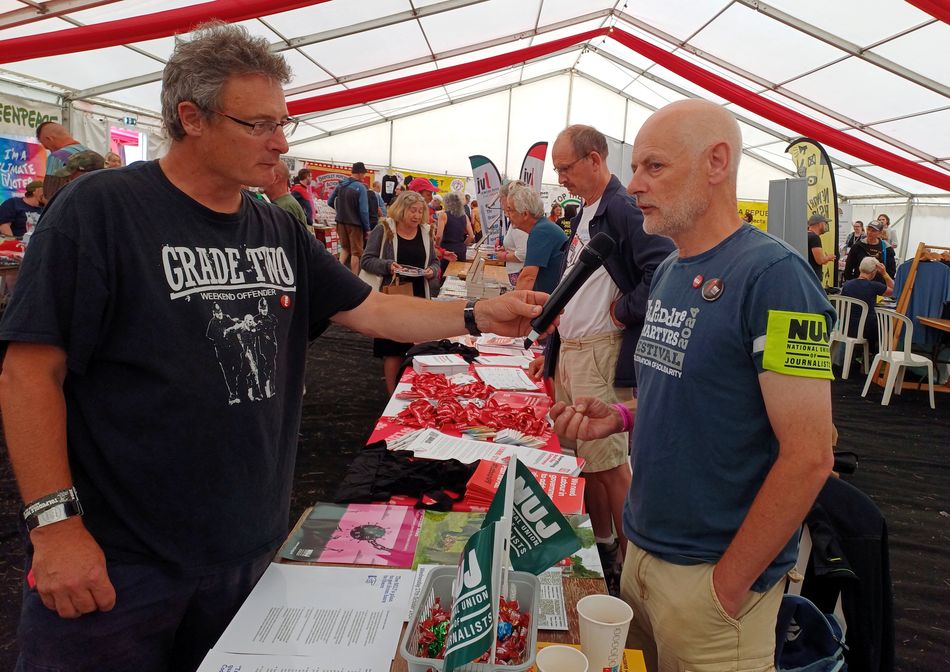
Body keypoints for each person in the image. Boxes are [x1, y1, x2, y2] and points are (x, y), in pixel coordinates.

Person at [0, 22, 552, 672]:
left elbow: (372, 307)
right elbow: (29, 372)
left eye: (283, 122)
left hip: (247, 551)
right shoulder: (103, 210)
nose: (282, 142)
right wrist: (55, 526)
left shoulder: (274, 227)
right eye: (260, 124)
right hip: (121, 559)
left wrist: (476, 312)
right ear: (191, 118)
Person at [550, 99, 835, 671]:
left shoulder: (775, 278)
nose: (633, 186)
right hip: (645, 556)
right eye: (635, 169)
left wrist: (727, 587)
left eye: (654, 167)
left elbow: (810, 453)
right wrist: (621, 418)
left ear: (716, 163)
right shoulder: (673, 271)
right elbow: (692, 390)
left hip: (713, 581)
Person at [531, 125, 675, 582]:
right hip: (575, 352)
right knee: (588, 463)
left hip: (600, 354)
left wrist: (623, 311)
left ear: (595, 160)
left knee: (610, 466)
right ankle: (604, 550)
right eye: (557, 170)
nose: (562, 178)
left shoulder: (624, 208)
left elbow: (664, 269)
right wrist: (552, 349)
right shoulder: (587, 211)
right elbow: (575, 286)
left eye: (566, 168)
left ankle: (630, 570)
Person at [361, 191, 442, 394]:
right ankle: (391, 395)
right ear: (401, 209)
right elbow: (367, 260)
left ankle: (412, 391)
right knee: (392, 350)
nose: (416, 215)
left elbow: (434, 261)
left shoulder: (425, 232)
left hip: (418, 297)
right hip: (392, 298)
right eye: (412, 210)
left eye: (420, 211)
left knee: (418, 346)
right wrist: (388, 266)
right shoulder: (385, 229)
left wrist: (432, 270)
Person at [506, 183, 567, 294]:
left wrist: (512, 306)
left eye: (510, 210)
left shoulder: (541, 232)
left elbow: (528, 277)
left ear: (525, 214)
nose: (507, 214)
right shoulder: (543, 228)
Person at [328, 161, 375, 274]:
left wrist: (340, 210)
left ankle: (336, 272)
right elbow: (364, 211)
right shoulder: (361, 187)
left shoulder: (341, 185)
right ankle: (355, 278)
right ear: (359, 173)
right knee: (356, 253)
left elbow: (330, 201)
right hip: (355, 225)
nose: (364, 176)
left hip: (340, 222)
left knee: (344, 249)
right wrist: (367, 228)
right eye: (363, 174)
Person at [841, 256, 893, 353]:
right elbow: (894, 291)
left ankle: (862, 356)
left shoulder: (847, 285)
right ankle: (875, 357)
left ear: (860, 268)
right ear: (874, 272)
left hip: (847, 328)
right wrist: (884, 274)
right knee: (887, 327)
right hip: (866, 330)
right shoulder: (874, 286)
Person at [36, 121, 89, 200]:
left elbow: (51, 196)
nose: (50, 151)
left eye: (47, 147)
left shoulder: (58, 157)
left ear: (50, 139)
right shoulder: (93, 153)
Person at [495, 181, 530, 286]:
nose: (500, 204)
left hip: (520, 274)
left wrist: (503, 256)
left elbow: (523, 253)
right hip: (517, 273)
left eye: (501, 199)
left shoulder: (520, 220)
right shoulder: (515, 219)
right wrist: (506, 249)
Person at [436, 191, 474, 269]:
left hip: (446, 250)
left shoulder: (443, 215)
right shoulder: (465, 216)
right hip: (460, 250)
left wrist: (438, 248)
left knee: (444, 275)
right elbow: (471, 236)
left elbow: (439, 236)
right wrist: (463, 245)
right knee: (458, 275)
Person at [263, 161, 307, 227]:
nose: (261, 178)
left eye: (264, 174)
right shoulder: (282, 203)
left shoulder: (287, 206)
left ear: (275, 178)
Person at [807, 213, 836, 283]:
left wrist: (825, 259)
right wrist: (829, 257)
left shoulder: (806, 235)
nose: (826, 225)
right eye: (825, 223)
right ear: (820, 224)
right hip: (813, 277)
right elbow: (819, 260)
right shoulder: (815, 238)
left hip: (806, 275)